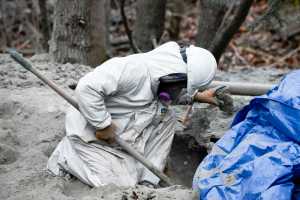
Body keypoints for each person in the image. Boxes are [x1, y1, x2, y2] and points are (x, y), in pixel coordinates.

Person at [47, 41, 218, 187]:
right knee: (121, 186)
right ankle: (67, 156)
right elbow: (86, 88)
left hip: (124, 134)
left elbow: (169, 95)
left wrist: (197, 96)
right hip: (91, 137)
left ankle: (148, 180)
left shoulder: (163, 77)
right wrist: (103, 124)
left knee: (167, 117)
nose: (179, 89)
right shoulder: (132, 69)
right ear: (176, 76)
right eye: (181, 85)